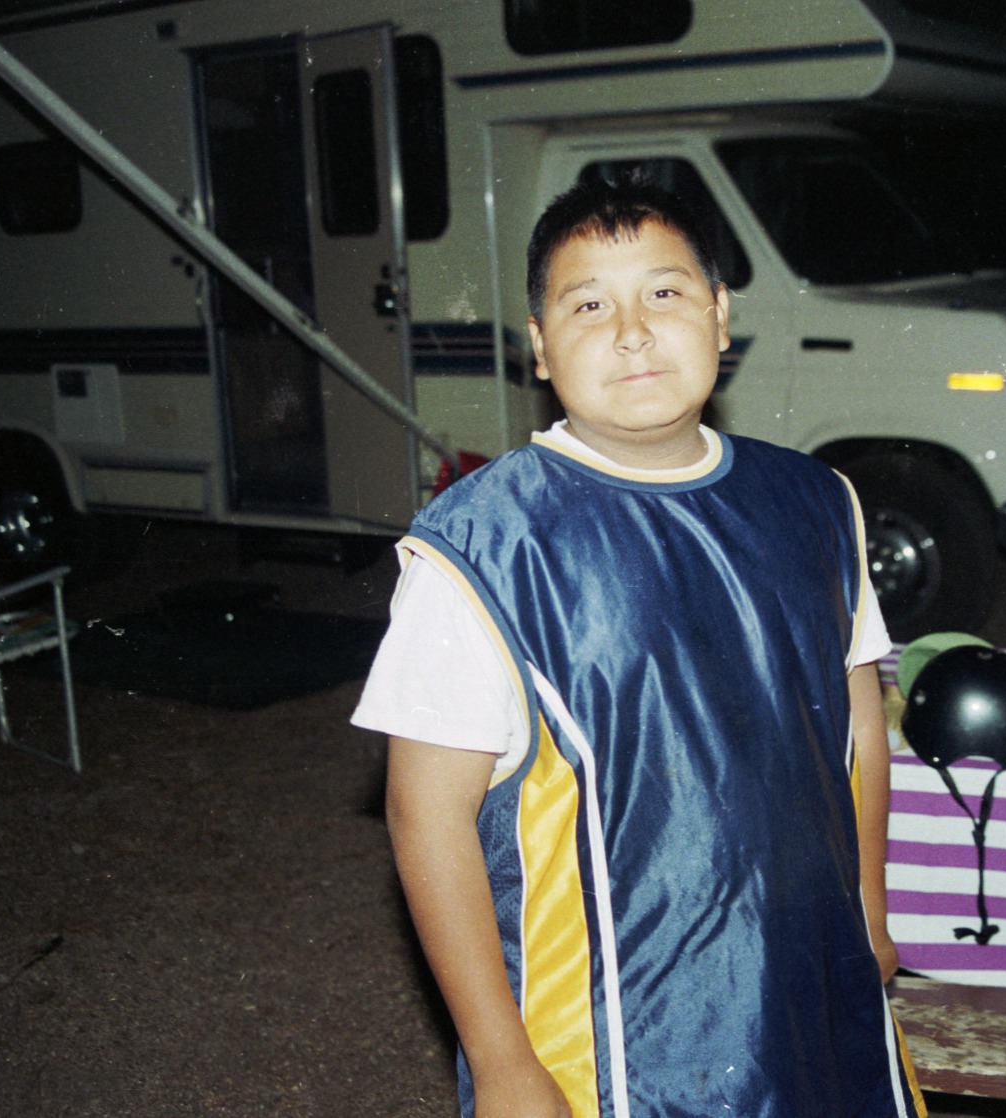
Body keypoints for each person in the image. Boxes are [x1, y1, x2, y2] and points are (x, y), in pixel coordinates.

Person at [353, 177, 926, 1118]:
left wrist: (869, 898)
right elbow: (425, 817)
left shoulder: (818, 502)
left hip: (813, 977)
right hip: (622, 1040)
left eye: (664, 292)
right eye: (588, 305)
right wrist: (500, 1063)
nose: (632, 331)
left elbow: (859, 712)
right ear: (538, 346)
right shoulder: (485, 546)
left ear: (720, 315)